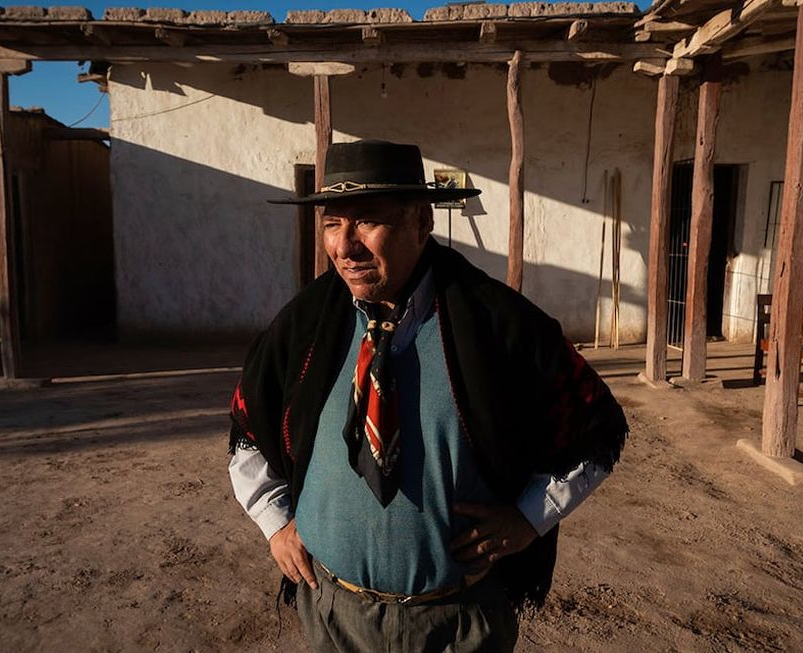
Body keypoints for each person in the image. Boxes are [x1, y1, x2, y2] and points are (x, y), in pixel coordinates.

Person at [228, 140, 627, 652]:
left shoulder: (501, 324)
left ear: (422, 222)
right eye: (332, 224)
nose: (344, 246)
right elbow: (248, 427)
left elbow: (597, 427)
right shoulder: (304, 323)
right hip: (331, 612)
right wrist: (275, 521)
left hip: (459, 622)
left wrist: (530, 517)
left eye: (367, 221)